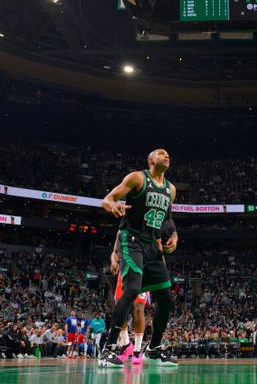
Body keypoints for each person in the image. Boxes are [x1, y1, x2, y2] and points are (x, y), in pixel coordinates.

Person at [98, 148, 179, 367]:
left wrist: (174, 234)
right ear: (151, 160)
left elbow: (168, 219)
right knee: (132, 289)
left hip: (153, 246)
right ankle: (109, 348)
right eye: (162, 153)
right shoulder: (137, 178)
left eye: (168, 154)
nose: (166, 155)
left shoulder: (171, 189)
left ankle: (153, 349)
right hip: (131, 240)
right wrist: (112, 204)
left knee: (165, 298)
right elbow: (107, 199)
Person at [111, 218, 177, 365]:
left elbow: (163, 245)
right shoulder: (124, 228)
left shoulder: (154, 228)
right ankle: (126, 344)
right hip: (126, 267)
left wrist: (162, 274)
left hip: (145, 268)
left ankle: (137, 350)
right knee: (119, 305)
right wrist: (114, 262)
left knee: (138, 308)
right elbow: (114, 252)